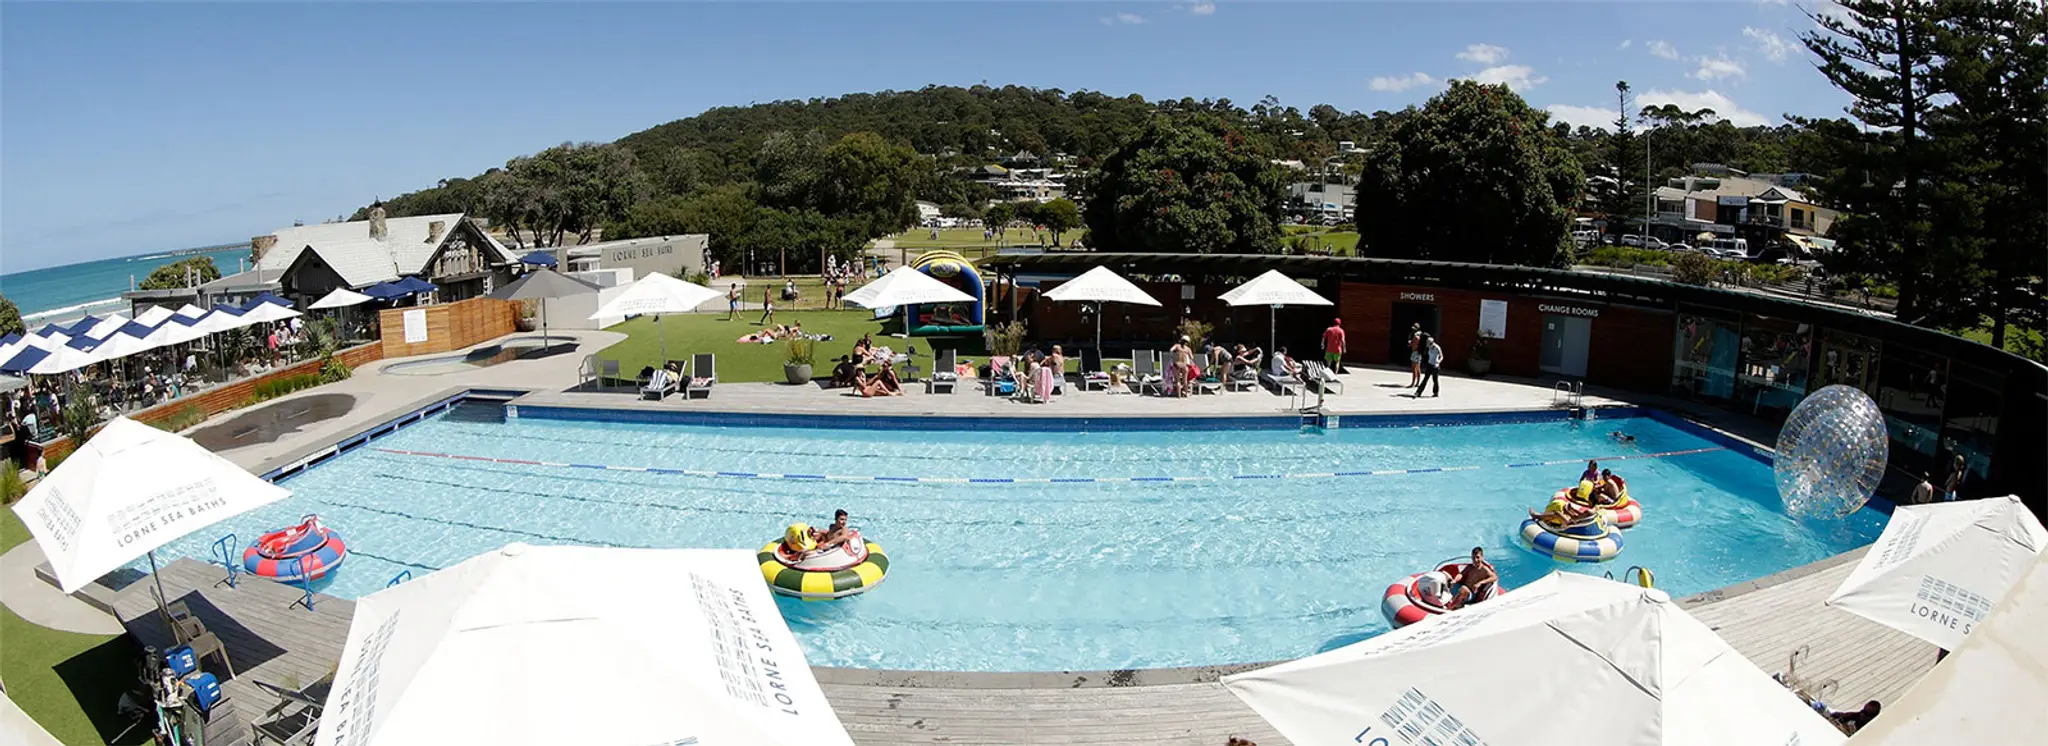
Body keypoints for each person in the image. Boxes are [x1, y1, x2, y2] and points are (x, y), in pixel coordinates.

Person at [1412, 333, 1441, 398]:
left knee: (1435, 380)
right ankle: (1418, 392)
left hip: (1435, 366)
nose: (1428, 346)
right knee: (1425, 379)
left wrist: (1438, 361)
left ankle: (1435, 392)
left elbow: (1441, 356)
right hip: (1429, 365)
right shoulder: (1429, 348)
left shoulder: (1437, 348)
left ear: (1432, 343)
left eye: (1429, 344)